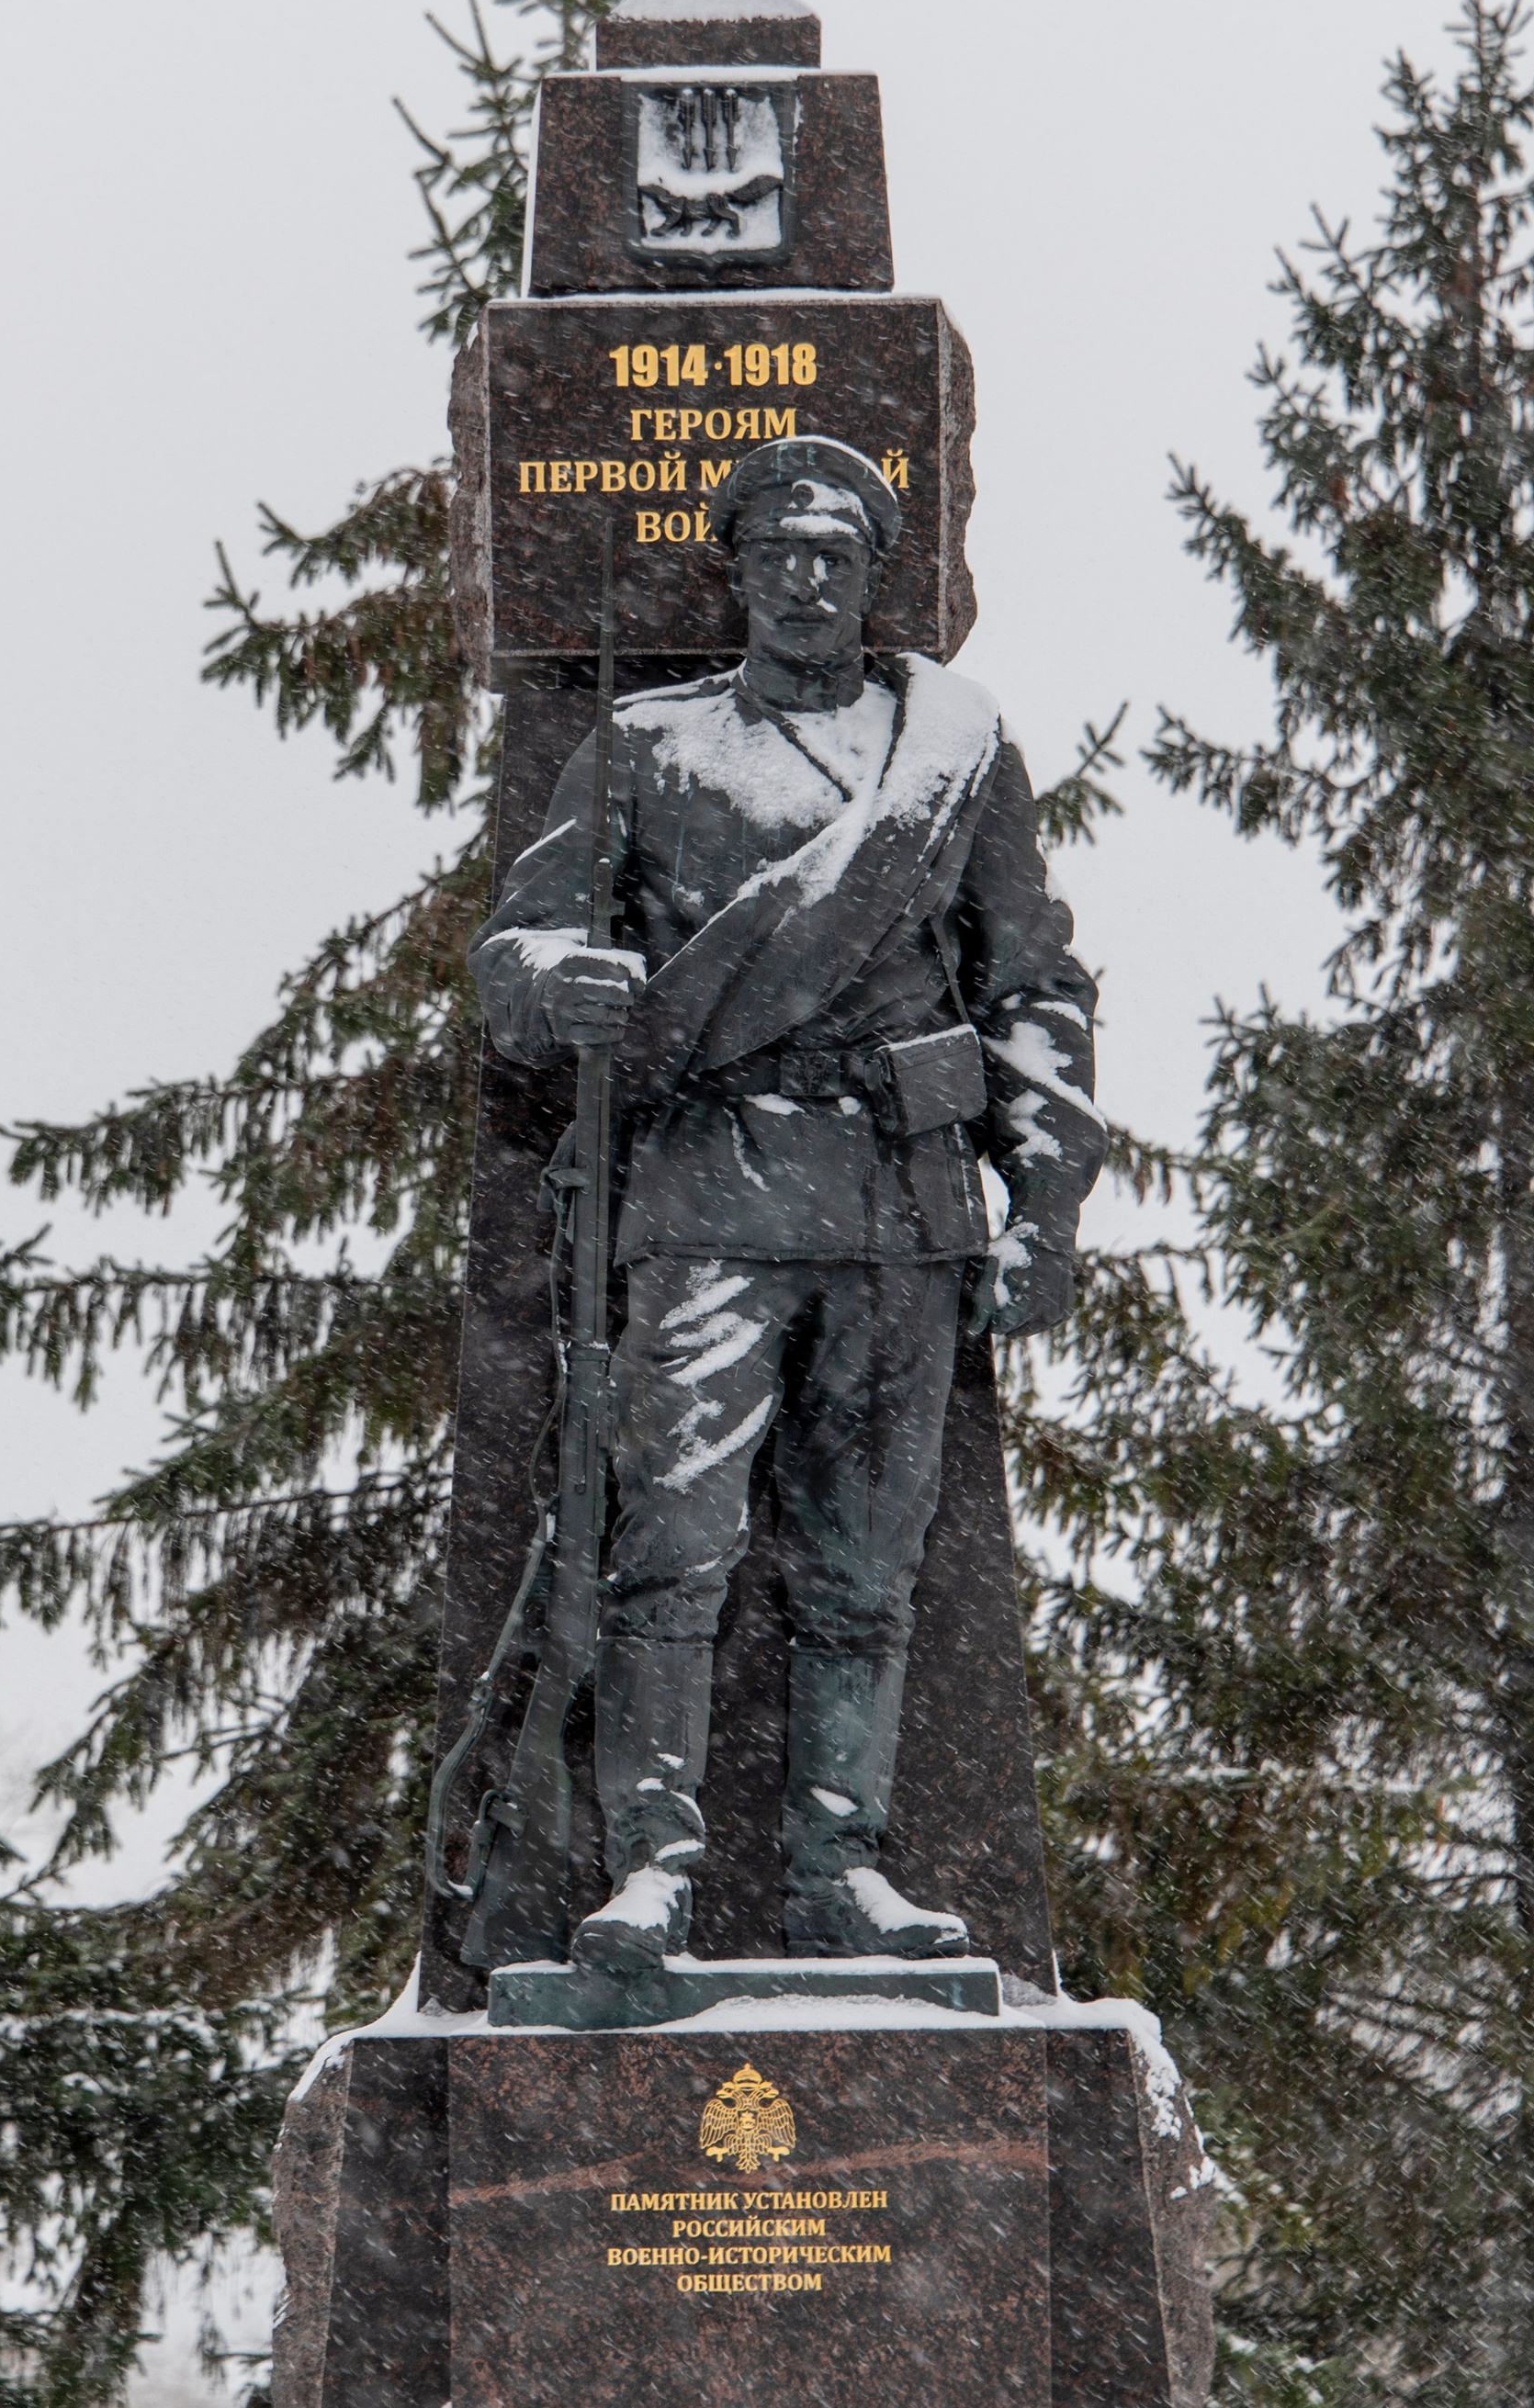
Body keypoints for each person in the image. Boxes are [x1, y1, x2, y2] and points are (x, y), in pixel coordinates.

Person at [469, 436, 1102, 1980]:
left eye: (835, 554)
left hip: (901, 1199)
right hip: (708, 1189)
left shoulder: (949, 748)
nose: (808, 581)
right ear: (738, 576)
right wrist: (562, 980)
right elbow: (514, 956)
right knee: (672, 1543)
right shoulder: (645, 745)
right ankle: (656, 1871)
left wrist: (1049, 1201)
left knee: (864, 1565)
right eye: (779, 556)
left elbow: (1035, 985)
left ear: (871, 574)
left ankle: (839, 1866)